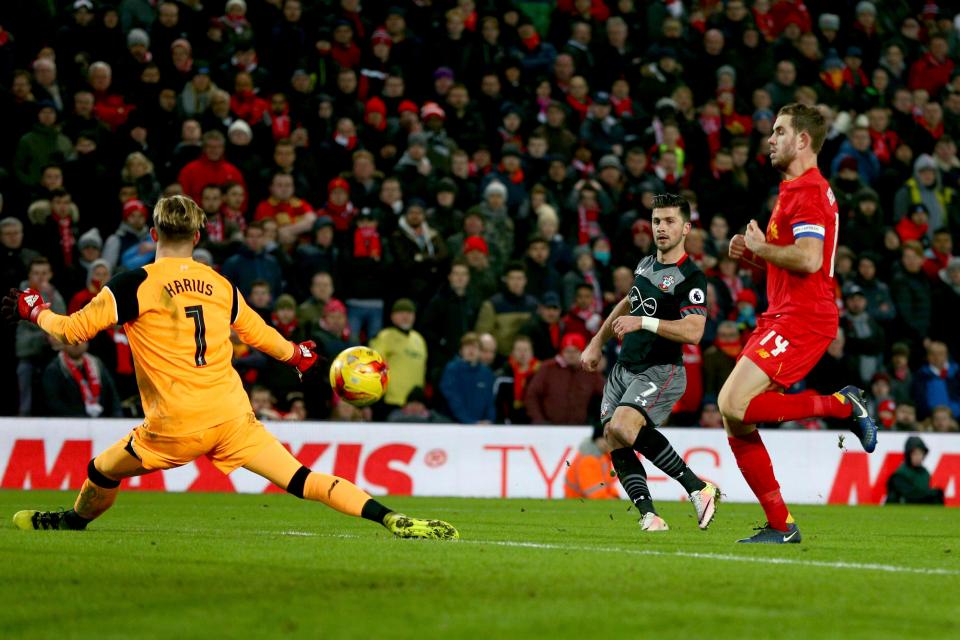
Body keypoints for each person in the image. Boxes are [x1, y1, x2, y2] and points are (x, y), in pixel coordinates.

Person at [3, 195, 456, 540]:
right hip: (232, 417)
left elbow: (70, 332)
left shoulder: (134, 283)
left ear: (155, 234)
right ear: (198, 238)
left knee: (102, 470)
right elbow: (259, 333)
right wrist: (297, 355)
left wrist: (34, 310)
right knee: (303, 478)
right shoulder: (218, 284)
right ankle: (392, 518)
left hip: (174, 425)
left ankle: (70, 522)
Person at [719, 103, 879, 544]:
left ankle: (844, 406)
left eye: (779, 131)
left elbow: (809, 259)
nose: (770, 139)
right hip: (784, 313)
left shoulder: (807, 191)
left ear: (802, 140)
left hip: (803, 319)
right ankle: (781, 524)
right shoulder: (793, 190)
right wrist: (753, 252)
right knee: (736, 418)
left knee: (731, 403)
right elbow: (798, 260)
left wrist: (761, 248)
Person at [581, 193, 717, 533]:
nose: (661, 228)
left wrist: (644, 323)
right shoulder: (646, 265)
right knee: (614, 436)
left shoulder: (691, 276)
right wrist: (597, 341)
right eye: (657, 221)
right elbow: (629, 303)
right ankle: (650, 515)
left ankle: (698, 488)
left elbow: (694, 331)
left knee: (624, 428)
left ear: (686, 228)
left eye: (670, 221)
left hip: (661, 370)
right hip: (624, 368)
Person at [564, 422, 620, 500]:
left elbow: (606, 485)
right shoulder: (589, 460)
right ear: (598, 439)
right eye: (607, 438)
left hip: (584, 501)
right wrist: (613, 499)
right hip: (578, 502)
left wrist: (615, 496)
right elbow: (594, 492)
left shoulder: (602, 457)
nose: (610, 442)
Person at [886, 436, 945, 505]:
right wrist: (933, 492)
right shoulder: (899, 475)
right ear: (908, 455)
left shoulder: (925, 473)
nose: (918, 457)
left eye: (920, 454)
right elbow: (911, 494)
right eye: (915, 454)